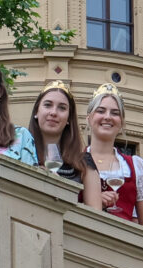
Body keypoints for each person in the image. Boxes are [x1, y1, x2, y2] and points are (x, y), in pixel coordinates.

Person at [84, 83, 143, 228]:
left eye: (115, 113)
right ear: (89, 118)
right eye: (101, 111)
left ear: (122, 123)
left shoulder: (136, 166)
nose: (107, 117)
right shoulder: (74, 161)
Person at [27, 81, 101, 210]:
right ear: (36, 112)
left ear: (68, 119)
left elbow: (95, 217)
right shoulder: (22, 154)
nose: (53, 112)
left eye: (62, 108)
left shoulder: (84, 163)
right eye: (48, 105)